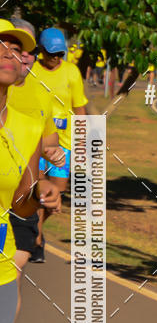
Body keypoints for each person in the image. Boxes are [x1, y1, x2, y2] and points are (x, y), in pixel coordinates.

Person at [0, 20, 60, 323]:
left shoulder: (25, 126)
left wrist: (40, 194)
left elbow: (19, 202)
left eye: (13, 46)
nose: (7, 51)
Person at [7, 19, 64, 278]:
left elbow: (47, 143)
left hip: (17, 203)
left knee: (11, 275)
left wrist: (51, 154)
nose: (20, 55)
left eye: (20, 49)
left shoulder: (41, 92)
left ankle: (38, 236)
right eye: (4, 46)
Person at [29, 28, 88, 259]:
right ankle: (37, 238)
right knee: (40, 188)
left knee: (58, 192)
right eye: (51, 53)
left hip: (64, 143)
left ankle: (36, 228)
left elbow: (79, 108)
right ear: (41, 50)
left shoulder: (72, 72)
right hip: (38, 141)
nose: (55, 58)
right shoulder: (32, 70)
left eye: (60, 54)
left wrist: (82, 139)